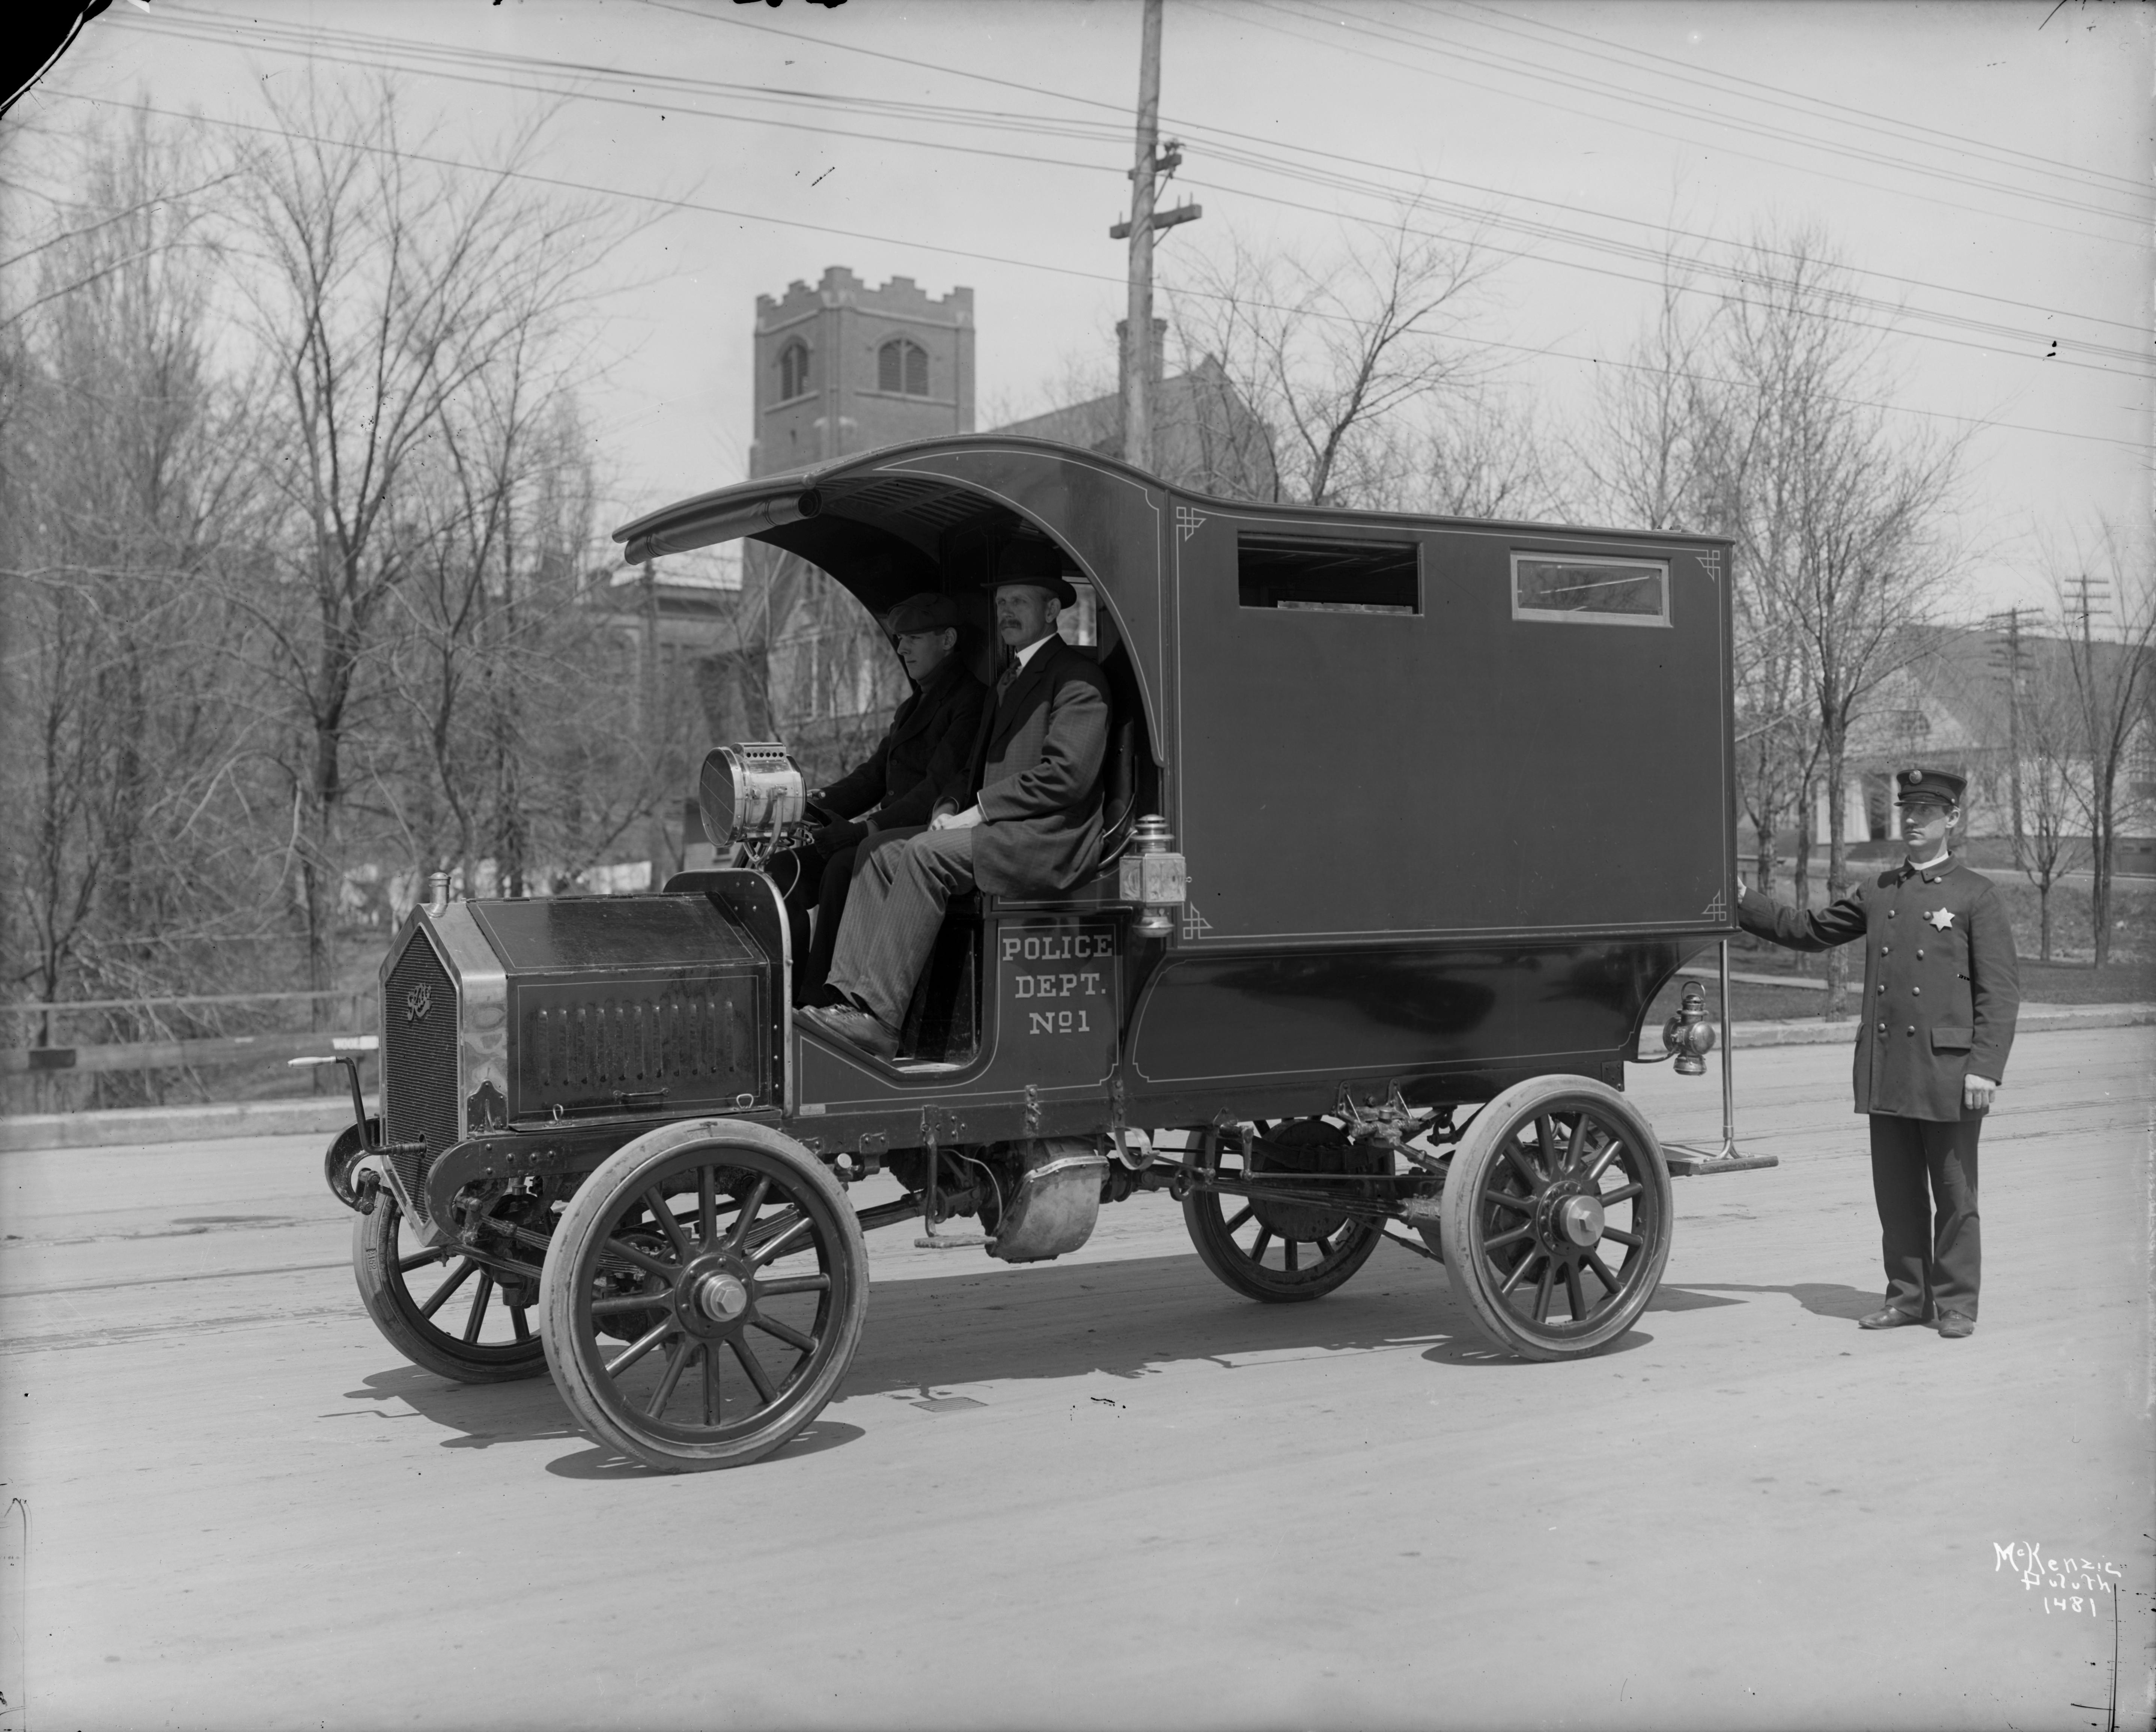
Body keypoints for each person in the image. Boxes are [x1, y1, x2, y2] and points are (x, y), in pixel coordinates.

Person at [800, 538, 1112, 1060]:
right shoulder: (1007, 681)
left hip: (1048, 836)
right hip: (999, 829)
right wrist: (947, 806)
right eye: (1002, 603)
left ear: (1052, 609)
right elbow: (968, 772)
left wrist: (978, 809)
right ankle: (847, 1002)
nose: (1007, 612)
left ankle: (880, 1018)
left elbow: (1067, 778)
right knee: (877, 855)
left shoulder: (1077, 679)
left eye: (1020, 601)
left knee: (923, 854)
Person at [1737, 768, 2020, 1338]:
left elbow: (2000, 991)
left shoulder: (1976, 894)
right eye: (1907, 811)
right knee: (1897, 1195)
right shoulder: (1881, 890)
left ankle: (1957, 1302)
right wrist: (1744, 901)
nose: (1914, 821)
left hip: (1949, 1071)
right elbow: (1808, 929)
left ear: (1953, 820)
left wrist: (1985, 1068)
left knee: (1956, 1195)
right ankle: (1909, 1297)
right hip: (1889, 1068)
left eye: (1927, 811)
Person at [771, 592, 985, 1004]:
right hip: (879, 831)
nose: (901, 647)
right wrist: (802, 803)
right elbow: (871, 777)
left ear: (947, 639)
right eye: (899, 638)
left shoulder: (969, 701)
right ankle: (783, 995)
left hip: (923, 831)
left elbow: (935, 789)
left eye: (913, 637)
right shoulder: (912, 706)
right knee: (784, 869)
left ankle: (824, 1000)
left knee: (843, 866)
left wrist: (862, 830)